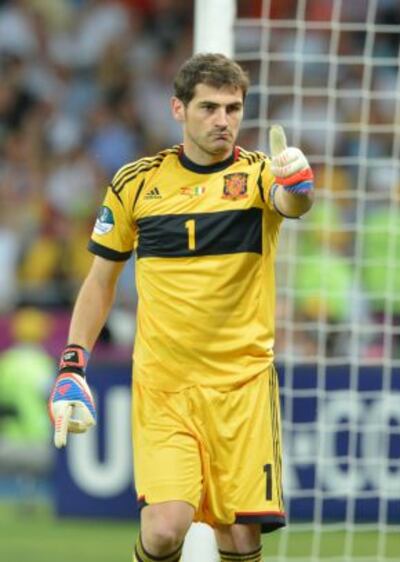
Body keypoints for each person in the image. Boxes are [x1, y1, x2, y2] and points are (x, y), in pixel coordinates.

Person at [48, 53, 314, 562]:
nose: (223, 120)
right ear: (178, 108)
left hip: (242, 387)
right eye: (210, 107)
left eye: (233, 108)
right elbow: (101, 281)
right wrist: (72, 362)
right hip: (165, 387)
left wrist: (298, 185)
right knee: (166, 528)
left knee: (239, 538)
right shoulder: (136, 184)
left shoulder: (258, 177)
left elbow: (292, 205)